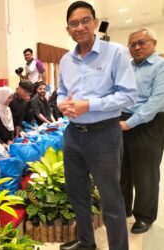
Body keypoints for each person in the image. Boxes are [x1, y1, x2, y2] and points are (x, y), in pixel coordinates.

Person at [57, 1, 137, 250]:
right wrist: (62, 104)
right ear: (68, 29)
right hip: (73, 135)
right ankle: (86, 242)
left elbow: (128, 96)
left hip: (104, 135)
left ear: (95, 22)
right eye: (73, 23)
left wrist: (88, 105)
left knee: (111, 199)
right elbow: (61, 92)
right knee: (77, 194)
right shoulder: (65, 60)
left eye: (85, 20)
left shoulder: (116, 53)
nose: (79, 27)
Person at [120, 28, 164, 234]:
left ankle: (145, 216)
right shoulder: (126, 67)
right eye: (132, 44)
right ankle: (124, 209)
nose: (136, 47)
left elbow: (157, 101)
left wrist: (130, 123)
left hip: (149, 123)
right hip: (121, 121)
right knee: (122, 170)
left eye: (141, 42)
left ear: (153, 43)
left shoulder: (161, 66)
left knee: (145, 174)